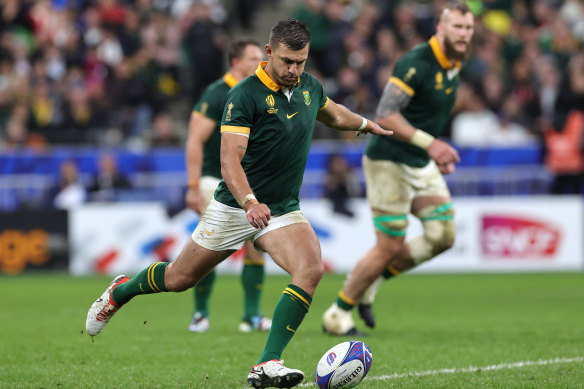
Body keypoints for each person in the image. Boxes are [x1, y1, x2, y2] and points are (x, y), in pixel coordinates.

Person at [85, 18, 391, 388]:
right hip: (234, 207)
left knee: (310, 269)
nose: (294, 70)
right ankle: (120, 291)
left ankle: (267, 363)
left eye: (301, 62)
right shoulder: (244, 95)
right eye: (286, 62)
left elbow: (333, 113)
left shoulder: (309, 87)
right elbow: (229, 159)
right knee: (179, 278)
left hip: (281, 209)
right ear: (268, 53)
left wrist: (365, 124)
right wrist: (248, 202)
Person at [322, 2, 474, 335]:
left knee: (443, 235)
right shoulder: (416, 62)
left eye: (468, 28)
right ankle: (337, 313)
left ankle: (370, 283)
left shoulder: (455, 62)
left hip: (419, 161)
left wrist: (432, 152)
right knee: (389, 244)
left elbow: (426, 115)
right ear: (441, 28)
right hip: (388, 160)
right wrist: (431, 144)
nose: (463, 34)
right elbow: (386, 114)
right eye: (457, 27)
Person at [183, 39, 273, 333]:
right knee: (209, 248)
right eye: (253, 58)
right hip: (214, 179)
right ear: (235, 62)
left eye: (262, 57)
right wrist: (194, 186)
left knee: (257, 242)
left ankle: (251, 315)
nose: (260, 63)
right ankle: (200, 313)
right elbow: (195, 140)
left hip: (247, 180)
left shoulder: (260, 92)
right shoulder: (216, 93)